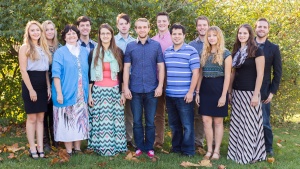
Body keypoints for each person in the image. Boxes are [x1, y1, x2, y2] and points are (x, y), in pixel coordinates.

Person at [123, 18, 165, 158]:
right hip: (134, 89)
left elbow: (161, 66)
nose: (142, 30)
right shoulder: (130, 46)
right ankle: (140, 146)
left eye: (144, 27)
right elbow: (126, 68)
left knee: (150, 121)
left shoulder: (156, 45)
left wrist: (160, 85)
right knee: (136, 121)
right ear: (135, 29)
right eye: (139, 27)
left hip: (151, 89)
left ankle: (150, 147)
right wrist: (126, 88)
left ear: (148, 28)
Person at [227, 24, 266, 164]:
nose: (242, 35)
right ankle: (236, 153)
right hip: (237, 93)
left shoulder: (257, 51)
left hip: (250, 93)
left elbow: (260, 74)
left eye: (244, 33)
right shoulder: (236, 51)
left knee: (249, 125)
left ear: (250, 34)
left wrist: (256, 95)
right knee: (238, 124)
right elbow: (232, 73)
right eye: (240, 33)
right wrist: (230, 91)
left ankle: (249, 155)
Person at [88, 23, 127, 156]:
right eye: (102, 33)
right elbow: (90, 77)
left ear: (112, 35)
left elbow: (121, 75)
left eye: (108, 33)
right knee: (101, 121)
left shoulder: (118, 52)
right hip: (99, 91)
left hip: (114, 91)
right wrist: (90, 95)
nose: (105, 36)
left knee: (115, 121)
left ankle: (117, 147)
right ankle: (100, 147)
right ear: (99, 35)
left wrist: (122, 93)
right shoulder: (93, 52)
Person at [52, 24, 89, 156]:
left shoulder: (84, 51)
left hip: (81, 92)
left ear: (77, 35)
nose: (72, 36)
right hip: (65, 91)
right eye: (68, 34)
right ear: (64, 37)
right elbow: (56, 74)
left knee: (79, 119)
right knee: (66, 120)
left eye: (74, 33)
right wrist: (59, 93)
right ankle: (68, 150)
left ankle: (78, 148)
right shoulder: (60, 52)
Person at [195, 26, 232, 160]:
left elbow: (228, 76)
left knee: (217, 121)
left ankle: (216, 151)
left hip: (219, 88)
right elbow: (200, 74)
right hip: (205, 88)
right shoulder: (203, 53)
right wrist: (197, 92)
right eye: (209, 35)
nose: (211, 38)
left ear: (219, 37)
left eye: (214, 35)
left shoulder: (226, 54)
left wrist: (224, 95)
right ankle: (209, 150)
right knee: (206, 121)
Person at [164, 23, 200, 157]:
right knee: (174, 125)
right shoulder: (167, 52)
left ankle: (188, 150)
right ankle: (176, 148)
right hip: (170, 94)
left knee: (187, 125)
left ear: (184, 36)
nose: (177, 36)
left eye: (180, 34)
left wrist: (191, 92)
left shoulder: (191, 51)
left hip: (185, 95)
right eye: (174, 34)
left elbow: (196, 73)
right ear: (171, 35)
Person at [19, 20, 52, 159]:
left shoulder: (43, 47)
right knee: (32, 117)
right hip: (30, 83)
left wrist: (48, 86)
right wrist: (31, 90)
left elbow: (45, 71)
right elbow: (23, 70)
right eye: (32, 30)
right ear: (28, 32)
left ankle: (40, 148)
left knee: (41, 118)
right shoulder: (25, 47)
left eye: (37, 30)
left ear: (41, 32)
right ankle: (32, 148)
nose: (35, 32)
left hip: (42, 84)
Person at [255, 18, 282, 157]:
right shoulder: (247, 44)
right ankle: (250, 146)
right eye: (259, 26)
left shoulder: (274, 48)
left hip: (264, 91)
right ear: (255, 28)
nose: (261, 29)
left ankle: (268, 147)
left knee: (264, 122)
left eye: (264, 27)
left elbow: (277, 72)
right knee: (248, 121)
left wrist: (272, 92)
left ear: (268, 30)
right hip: (245, 88)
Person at [114, 13, 136, 149]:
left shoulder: (134, 42)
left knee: (129, 112)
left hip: (132, 80)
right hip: (115, 80)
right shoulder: (112, 41)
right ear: (117, 25)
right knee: (116, 111)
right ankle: (116, 138)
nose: (123, 26)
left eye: (125, 23)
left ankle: (129, 139)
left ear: (129, 25)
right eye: (121, 23)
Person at [152, 12, 173, 149]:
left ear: (168, 22)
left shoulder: (175, 38)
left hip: (172, 80)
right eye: (159, 21)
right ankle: (158, 141)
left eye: (164, 21)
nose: (161, 23)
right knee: (158, 113)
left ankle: (177, 142)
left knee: (174, 112)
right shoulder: (152, 40)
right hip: (157, 80)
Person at [189, 16, 210, 149]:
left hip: (211, 84)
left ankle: (211, 142)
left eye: (204, 25)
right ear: (196, 27)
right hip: (195, 83)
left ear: (208, 26)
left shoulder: (214, 42)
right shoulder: (191, 45)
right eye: (199, 25)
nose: (202, 27)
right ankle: (197, 141)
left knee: (209, 115)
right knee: (196, 114)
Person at [41, 20, 61, 151]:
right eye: (47, 29)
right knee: (44, 113)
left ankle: (56, 140)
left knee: (55, 112)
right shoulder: (40, 47)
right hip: (42, 82)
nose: (50, 32)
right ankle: (45, 142)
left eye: (51, 29)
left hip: (57, 83)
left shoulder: (60, 46)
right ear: (43, 32)